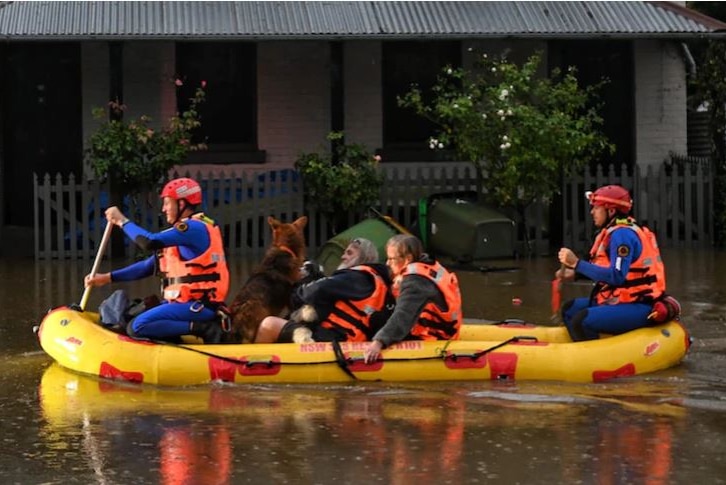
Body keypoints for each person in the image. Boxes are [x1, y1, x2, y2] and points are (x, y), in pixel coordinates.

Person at [84, 177, 230, 344]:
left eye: (167, 203)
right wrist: (107, 278)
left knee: (137, 327)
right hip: (183, 303)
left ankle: (204, 328)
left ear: (182, 204)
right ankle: (180, 334)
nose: (163, 209)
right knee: (131, 316)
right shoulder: (182, 231)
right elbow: (149, 266)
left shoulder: (193, 228)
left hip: (199, 306)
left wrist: (121, 221)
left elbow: (149, 242)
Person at [556, 184, 667, 341]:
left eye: (596, 208)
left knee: (580, 320)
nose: (592, 212)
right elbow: (611, 270)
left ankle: (591, 358)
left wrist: (576, 263)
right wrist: (575, 275)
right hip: (623, 300)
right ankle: (595, 341)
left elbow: (617, 276)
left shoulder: (622, 235)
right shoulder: (614, 231)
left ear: (611, 211)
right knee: (569, 309)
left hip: (640, 305)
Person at [254, 237, 393, 343]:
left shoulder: (356, 277)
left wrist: (301, 284)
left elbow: (309, 293)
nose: (343, 256)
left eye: (349, 253)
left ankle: (252, 367)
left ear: (364, 258)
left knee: (269, 324)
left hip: (330, 340)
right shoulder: (372, 281)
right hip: (343, 340)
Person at [363, 234, 462, 364]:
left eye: (392, 259)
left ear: (408, 259)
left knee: (374, 321)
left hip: (434, 336)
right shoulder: (426, 265)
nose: (387, 263)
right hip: (444, 328)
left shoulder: (415, 281)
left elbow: (403, 315)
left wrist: (378, 342)